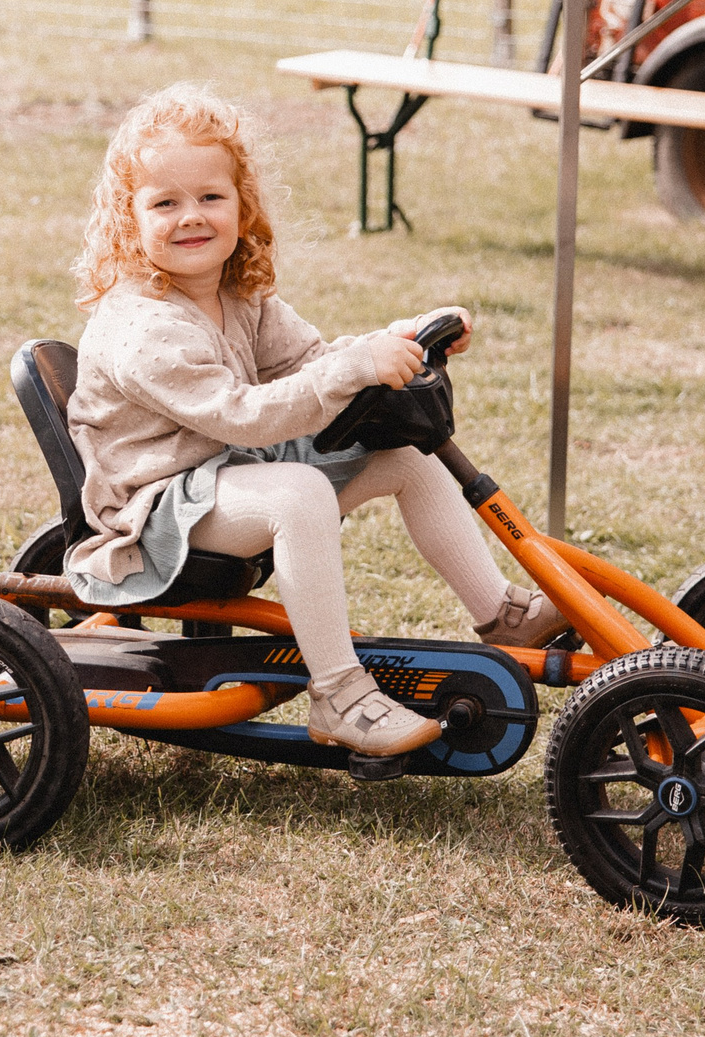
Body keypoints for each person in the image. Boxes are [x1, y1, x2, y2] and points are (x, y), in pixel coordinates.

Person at [64, 83, 569, 759]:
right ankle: (338, 694)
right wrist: (352, 367)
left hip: (227, 477)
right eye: (165, 203)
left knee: (403, 452)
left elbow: (315, 361)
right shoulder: (142, 327)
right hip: (155, 514)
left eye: (211, 197)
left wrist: (401, 336)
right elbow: (243, 417)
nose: (192, 217)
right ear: (129, 221)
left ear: (242, 204)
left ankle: (503, 615)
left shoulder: (239, 295)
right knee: (299, 492)